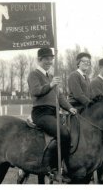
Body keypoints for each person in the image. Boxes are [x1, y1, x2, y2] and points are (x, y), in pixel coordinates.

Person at [27, 47, 77, 182]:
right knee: (64, 134)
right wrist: (50, 84)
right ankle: (53, 169)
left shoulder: (51, 76)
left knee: (72, 133)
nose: (49, 62)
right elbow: (35, 91)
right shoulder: (34, 74)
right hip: (41, 113)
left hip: (54, 113)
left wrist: (70, 108)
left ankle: (65, 166)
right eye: (46, 59)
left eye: (51, 59)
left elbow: (59, 97)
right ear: (39, 60)